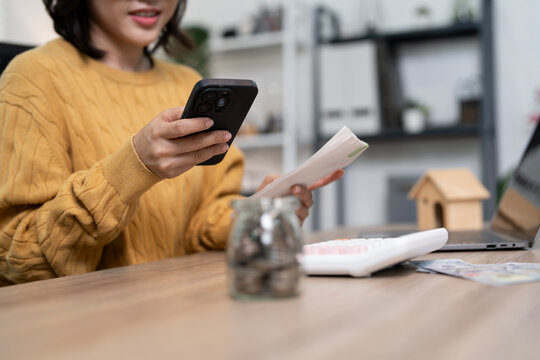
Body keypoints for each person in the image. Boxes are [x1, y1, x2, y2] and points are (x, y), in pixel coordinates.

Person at [0, 0, 343, 285]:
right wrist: (134, 167)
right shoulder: (32, 80)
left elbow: (201, 228)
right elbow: (19, 256)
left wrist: (260, 214)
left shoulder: (185, 81)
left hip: (184, 312)